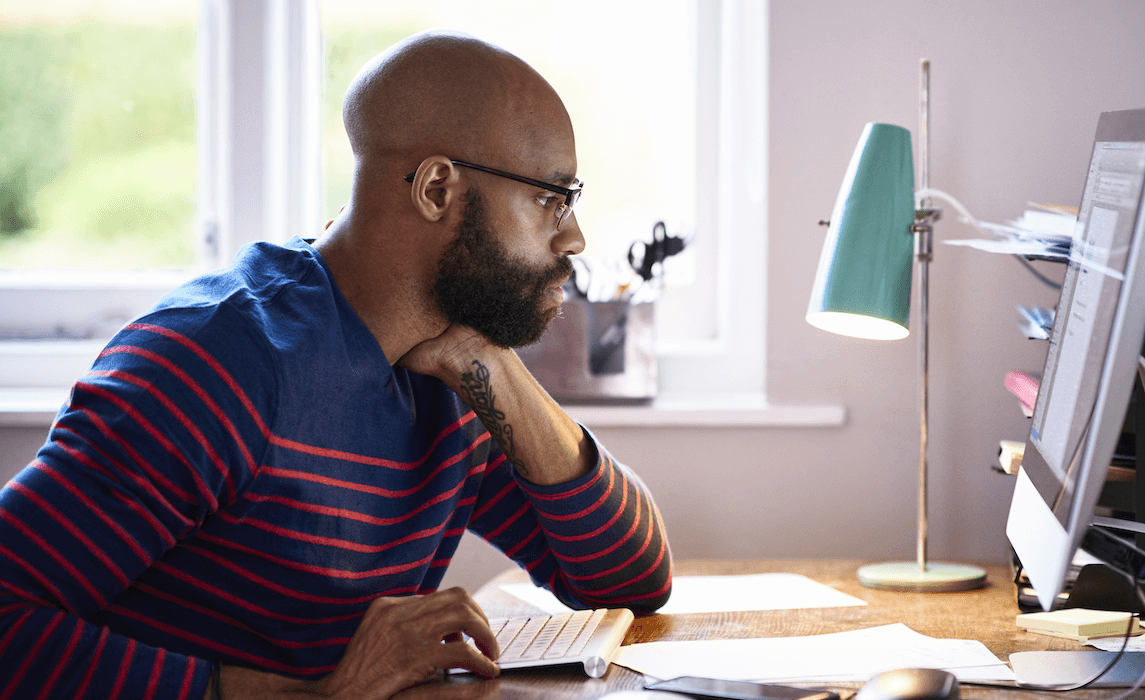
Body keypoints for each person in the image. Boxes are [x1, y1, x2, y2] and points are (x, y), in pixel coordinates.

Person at [0, 30, 671, 700]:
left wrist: (489, 367)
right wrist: (316, 696)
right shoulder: (214, 365)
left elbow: (630, 584)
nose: (575, 237)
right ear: (438, 189)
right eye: (552, 198)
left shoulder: (448, 369)